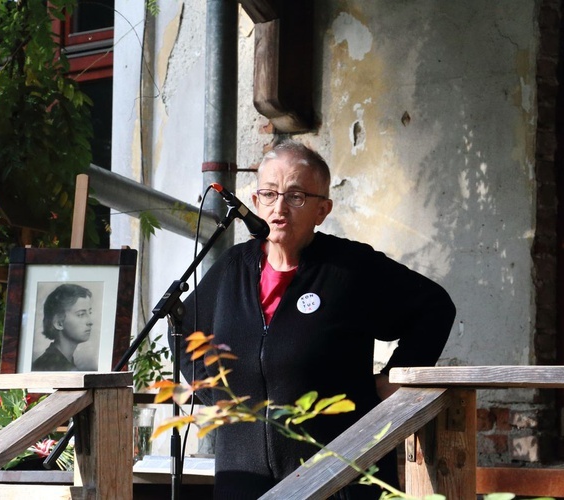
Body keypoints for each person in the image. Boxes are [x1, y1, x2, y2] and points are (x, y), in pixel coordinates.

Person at [178, 140, 456, 499]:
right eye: (268, 194)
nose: (279, 208)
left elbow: (434, 307)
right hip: (242, 476)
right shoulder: (233, 267)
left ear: (322, 210)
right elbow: (183, 326)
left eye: (295, 197)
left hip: (337, 476)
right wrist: (214, 391)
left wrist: (395, 378)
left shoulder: (348, 269)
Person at [32, 284, 94, 371]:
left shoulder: (66, 361)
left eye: (89, 313)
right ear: (59, 323)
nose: (90, 322)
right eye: (81, 314)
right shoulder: (46, 367)